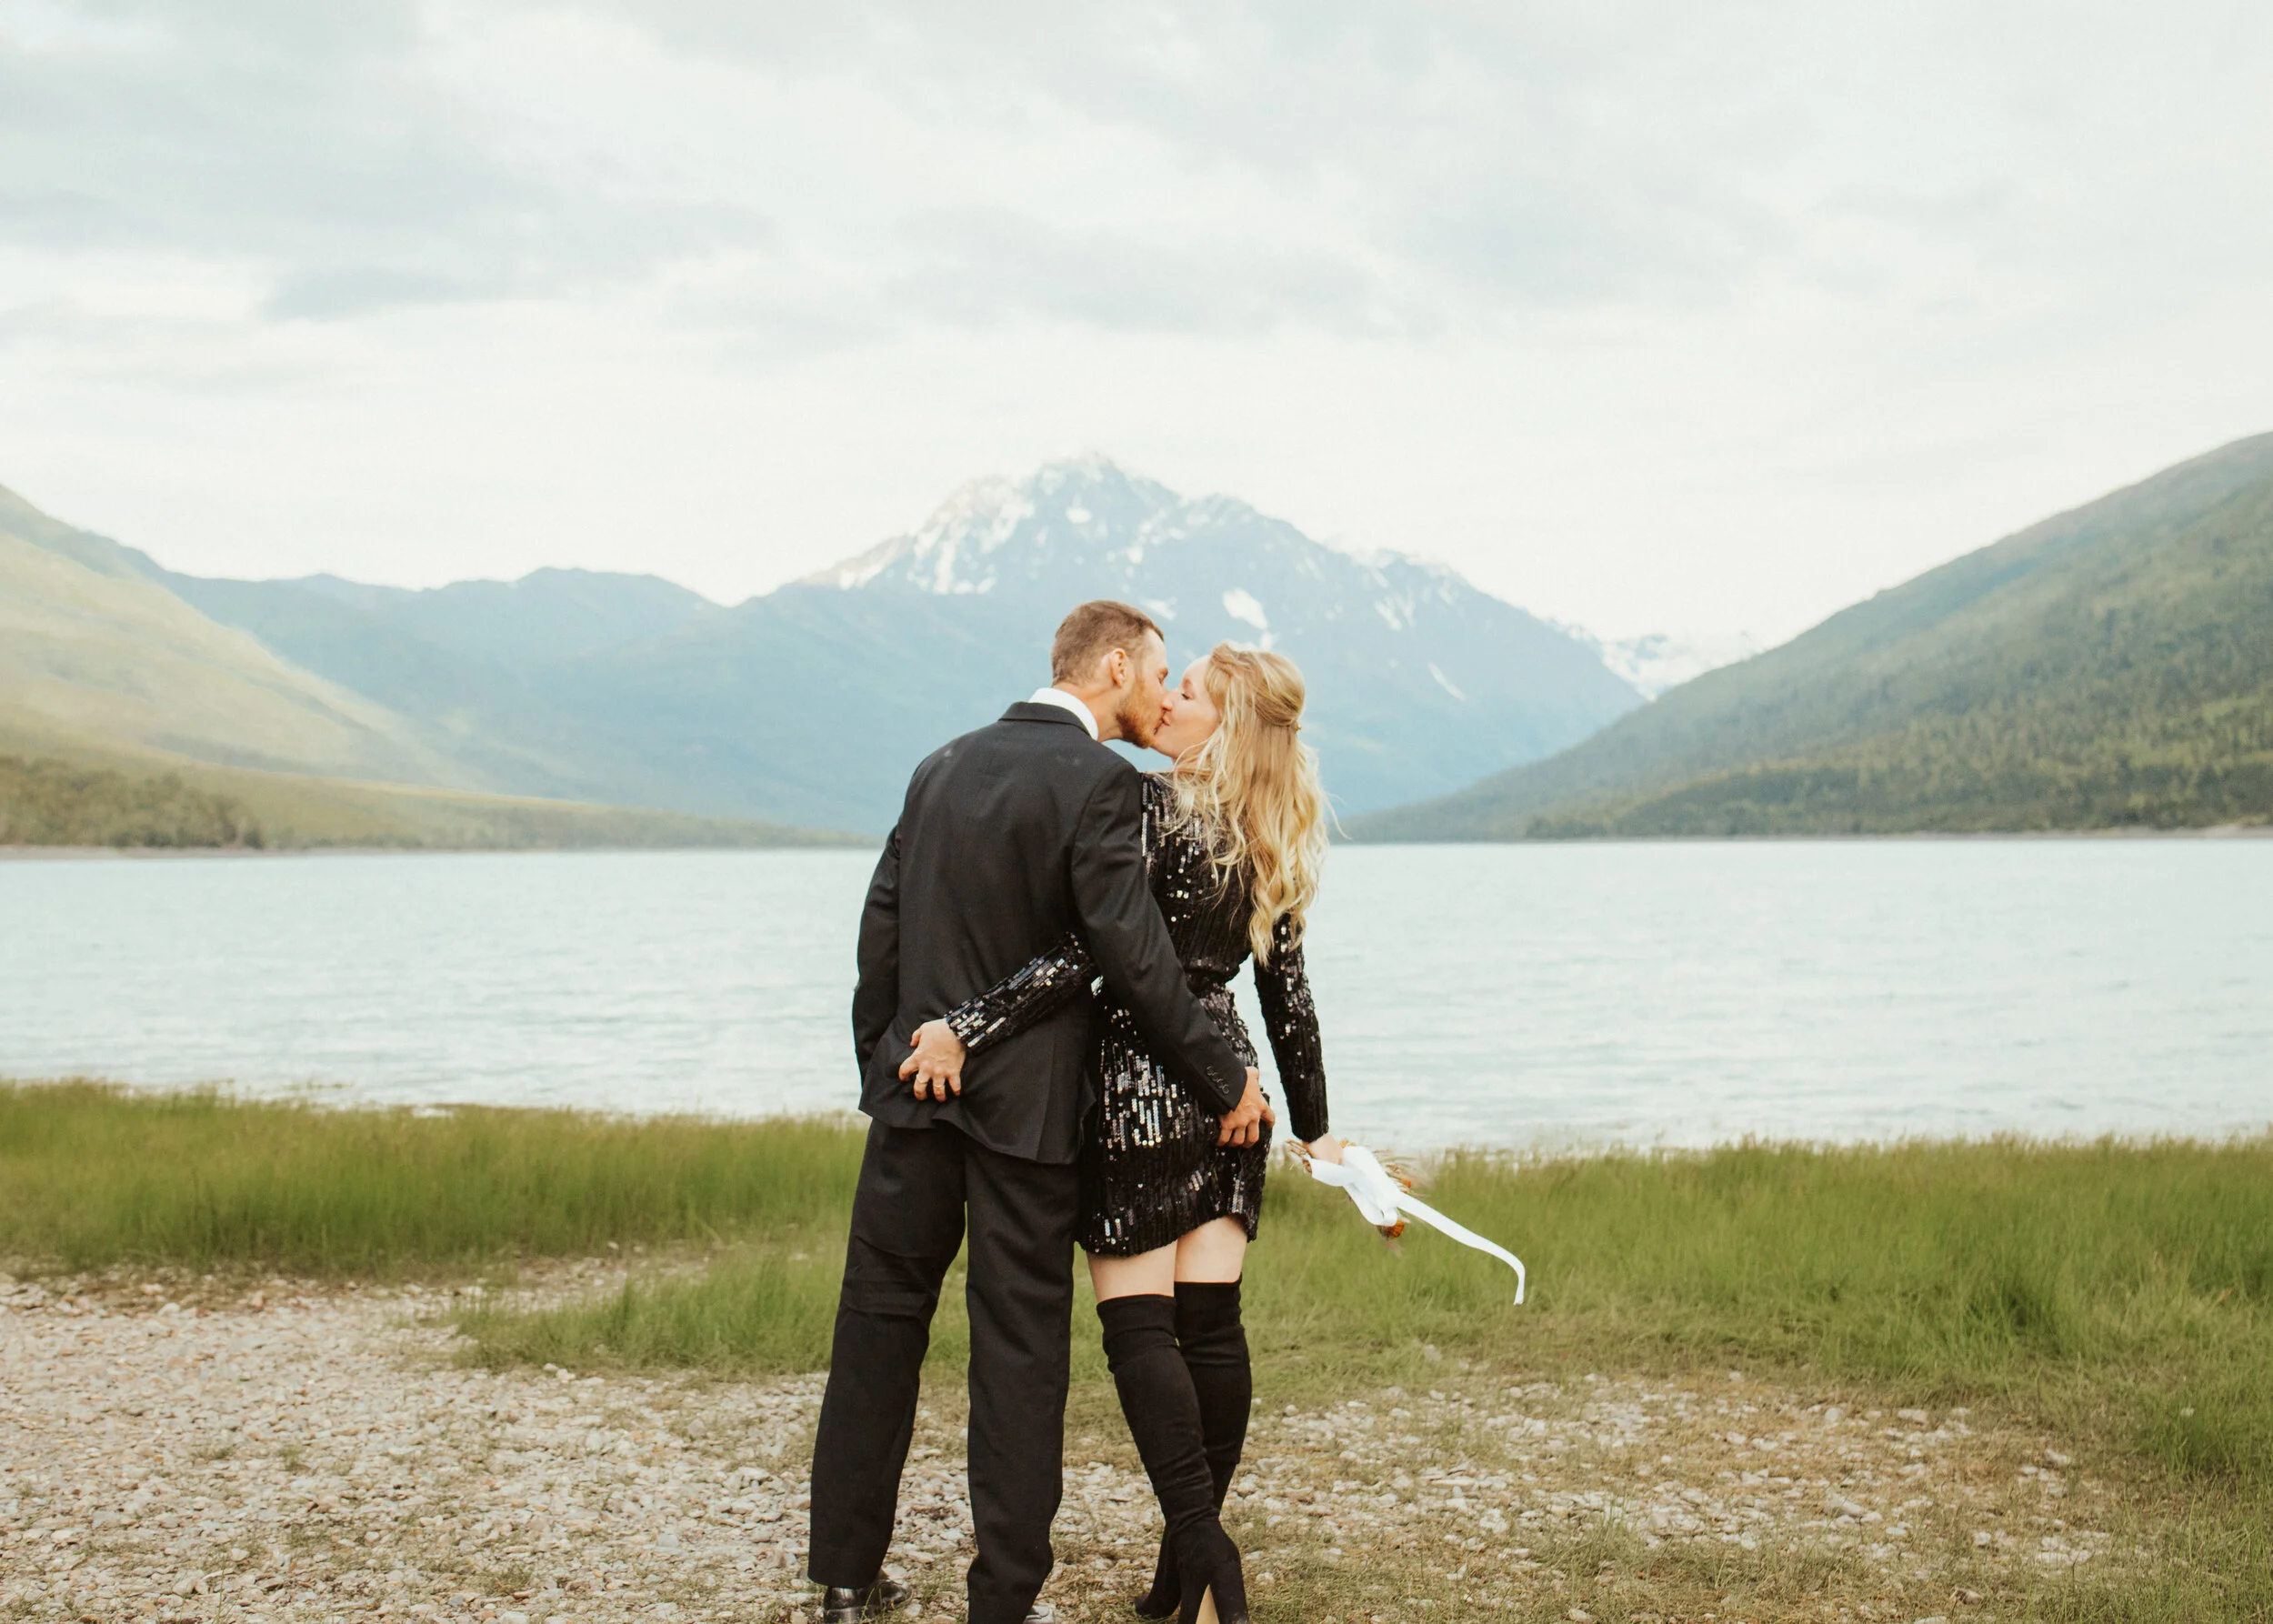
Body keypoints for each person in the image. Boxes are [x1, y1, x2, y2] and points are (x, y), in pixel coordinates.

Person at [807, 602, 1269, 1624]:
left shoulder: (938, 765)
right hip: (1029, 1119)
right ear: (1112, 665)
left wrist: (884, 1064)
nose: (1160, 694)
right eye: (1155, 673)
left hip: (914, 1102)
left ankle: (844, 1578)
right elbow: (1129, 951)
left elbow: (879, 928)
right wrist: (1221, 1076)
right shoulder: (1099, 782)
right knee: (1016, 1354)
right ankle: (1001, 1600)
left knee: (877, 1330)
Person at [903, 643, 1338, 1624]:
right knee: (1212, 1326)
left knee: (1140, 1326)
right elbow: (1289, 999)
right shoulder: (1271, 828)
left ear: (1221, 723)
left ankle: (1200, 1544)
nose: (1166, 703)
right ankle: (1185, 1569)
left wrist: (963, 1024)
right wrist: (1313, 1126)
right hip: (1233, 1085)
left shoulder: (1143, 807)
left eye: (1186, 693)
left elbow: (1083, 955)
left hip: (1142, 1072)